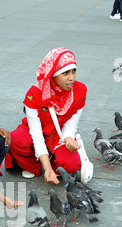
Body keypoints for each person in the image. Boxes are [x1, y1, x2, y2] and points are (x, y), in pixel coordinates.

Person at [5, 48, 87, 184]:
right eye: (65, 73)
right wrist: (47, 168)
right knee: (16, 140)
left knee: (71, 165)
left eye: (74, 71)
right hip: (36, 131)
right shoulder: (34, 93)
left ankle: (52, 160)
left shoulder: (80, 91)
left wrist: (68, 139)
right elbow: (36, 134)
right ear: (53, 74)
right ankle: (39, 164)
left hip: (59, 134)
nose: (71, 78)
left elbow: (71, 124)